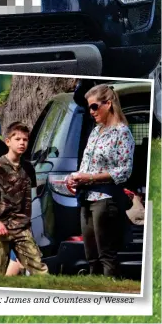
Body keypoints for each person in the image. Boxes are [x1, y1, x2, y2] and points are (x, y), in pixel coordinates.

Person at [66, 85, 134, 277]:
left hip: (106, 198)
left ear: (108, 104)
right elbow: (87, 165)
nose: (91, 111)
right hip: (86, 197)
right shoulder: (96, 132)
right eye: (89, 107)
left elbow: (124, 171)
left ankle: (110, 295)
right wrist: (75, 178)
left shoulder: (122, 132)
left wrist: (90, 177)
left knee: (106, 255)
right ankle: (93, 294)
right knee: (91, 255)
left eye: (94, 106)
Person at [0, 122, 48, 275]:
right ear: (8, 141)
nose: (22, 143)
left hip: (21, 228)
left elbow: (32, 198)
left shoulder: (28, 168)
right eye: (17, 139)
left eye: (25, 139)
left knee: (41, 272)